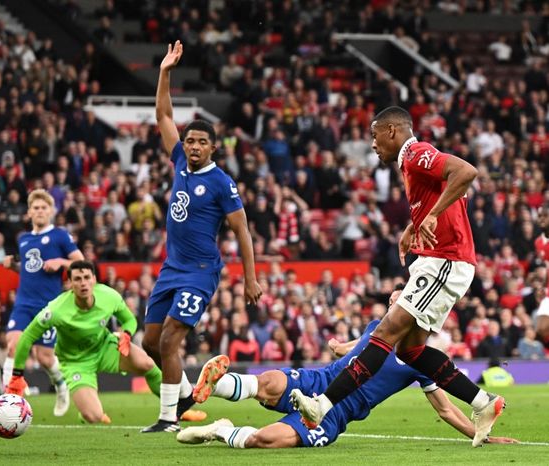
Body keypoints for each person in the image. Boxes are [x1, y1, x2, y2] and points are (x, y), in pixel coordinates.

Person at [290, 106, 505, 447]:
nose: (373, 145)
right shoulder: (411, 164)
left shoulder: (416, 153)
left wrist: (431, 216)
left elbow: (466, 172)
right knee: (410, 350)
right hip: (438, 260)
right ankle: (483, 403)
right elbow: (439, 195)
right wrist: (414, 226)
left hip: (445, 260)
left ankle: (323, 404)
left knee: (387, 330)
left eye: (375, 136)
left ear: (392, 131)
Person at [178, 287, 518, 449]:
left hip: (337, 412)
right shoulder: (376, 328)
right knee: (268, 381)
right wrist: (337, 347)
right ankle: (218, 384)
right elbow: (354, 349)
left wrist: (482, 435)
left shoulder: (421, 359)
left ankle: (220, 429)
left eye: (402, 300)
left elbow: (445, 410)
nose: (395, 303)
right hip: (321, 380)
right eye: (394, 299)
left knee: (266, 440)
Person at [141, 40, 262, 433]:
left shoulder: (222, 183)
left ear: (213, 147)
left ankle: (167, 418)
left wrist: (250, 278)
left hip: (200, 271)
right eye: (189, 140)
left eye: (200, 142)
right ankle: (192, 392)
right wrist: (164, 72)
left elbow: (241, 229)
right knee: (151, 344)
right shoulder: (178, 161)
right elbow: (163, 114)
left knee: (172, 339)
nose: (192, 146)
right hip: (171, 268)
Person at [4, 260, 163, 424]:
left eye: (87, 277)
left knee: (148, 364)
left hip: (104, 347)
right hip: (76, 362)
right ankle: (85, 412)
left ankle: (171, 411)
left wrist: (127, 334)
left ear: (94, 279)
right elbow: (27, 336)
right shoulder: (56, 310)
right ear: (70, 283)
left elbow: (129, 320)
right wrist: (17, 375)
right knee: (94, 416)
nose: (83, 283)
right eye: (78, 279)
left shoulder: (109, 296)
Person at [2, 189, 84, 417]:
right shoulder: (24, 239)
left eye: (43, 208)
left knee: (44, 357)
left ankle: (60, 386)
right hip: (23, 303)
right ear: (29, 212)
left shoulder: (60, 235)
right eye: (35, 208)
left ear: (51, 211)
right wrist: (13, 267)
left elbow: (82, 264)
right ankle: (8, 401)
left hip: (48, 306)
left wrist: (60, 261)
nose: (39, 211)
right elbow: (30, 270)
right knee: (13, 346)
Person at [533, 207, 549, 346]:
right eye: (540, 216)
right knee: (540, 329)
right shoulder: (538, 242)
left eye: (545, 215)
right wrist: (543, 287)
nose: (542, 219)